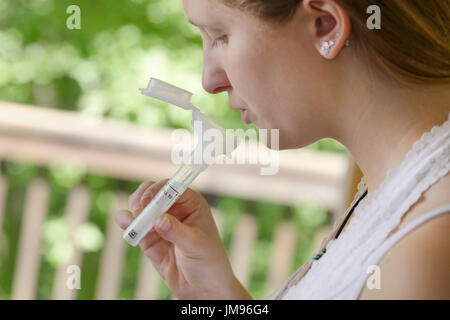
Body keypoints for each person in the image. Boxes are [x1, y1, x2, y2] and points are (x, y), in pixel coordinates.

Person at [116, 0, 450, 299]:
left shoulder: (423, 253)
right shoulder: (388, 198)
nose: (210, 80)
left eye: (220, 36)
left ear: (325, 26)